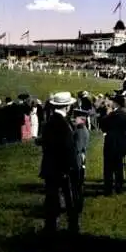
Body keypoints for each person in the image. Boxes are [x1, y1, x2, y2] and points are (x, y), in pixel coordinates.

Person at [37, 92, 82, 235]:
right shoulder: (63, 124)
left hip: (50, 165)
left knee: (52, 197)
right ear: (67, 107)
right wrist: (73, 167)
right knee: (70, 199)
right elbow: (68, 148)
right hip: (63, 167)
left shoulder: (50, 121)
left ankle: (50, 226)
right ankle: (72, 227)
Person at [100, 94, 126, 195]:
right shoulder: (125, 115)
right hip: (120, 146)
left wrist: (107, 114)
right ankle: (119, 188)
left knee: (108, 168)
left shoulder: (113, 115)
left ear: (115, 103)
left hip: (111, 144)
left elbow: (103, 126)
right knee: (118, 168)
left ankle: (108, 189)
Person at [72, 108, 90, 212]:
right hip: (80, 159)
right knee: (78, 183)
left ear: (82, 120)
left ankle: (77, 205)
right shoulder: (81, 129)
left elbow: (77, 148)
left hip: (77, 159)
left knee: (77, 184)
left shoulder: (80, 131)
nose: (74, 119)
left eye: (76, 118)